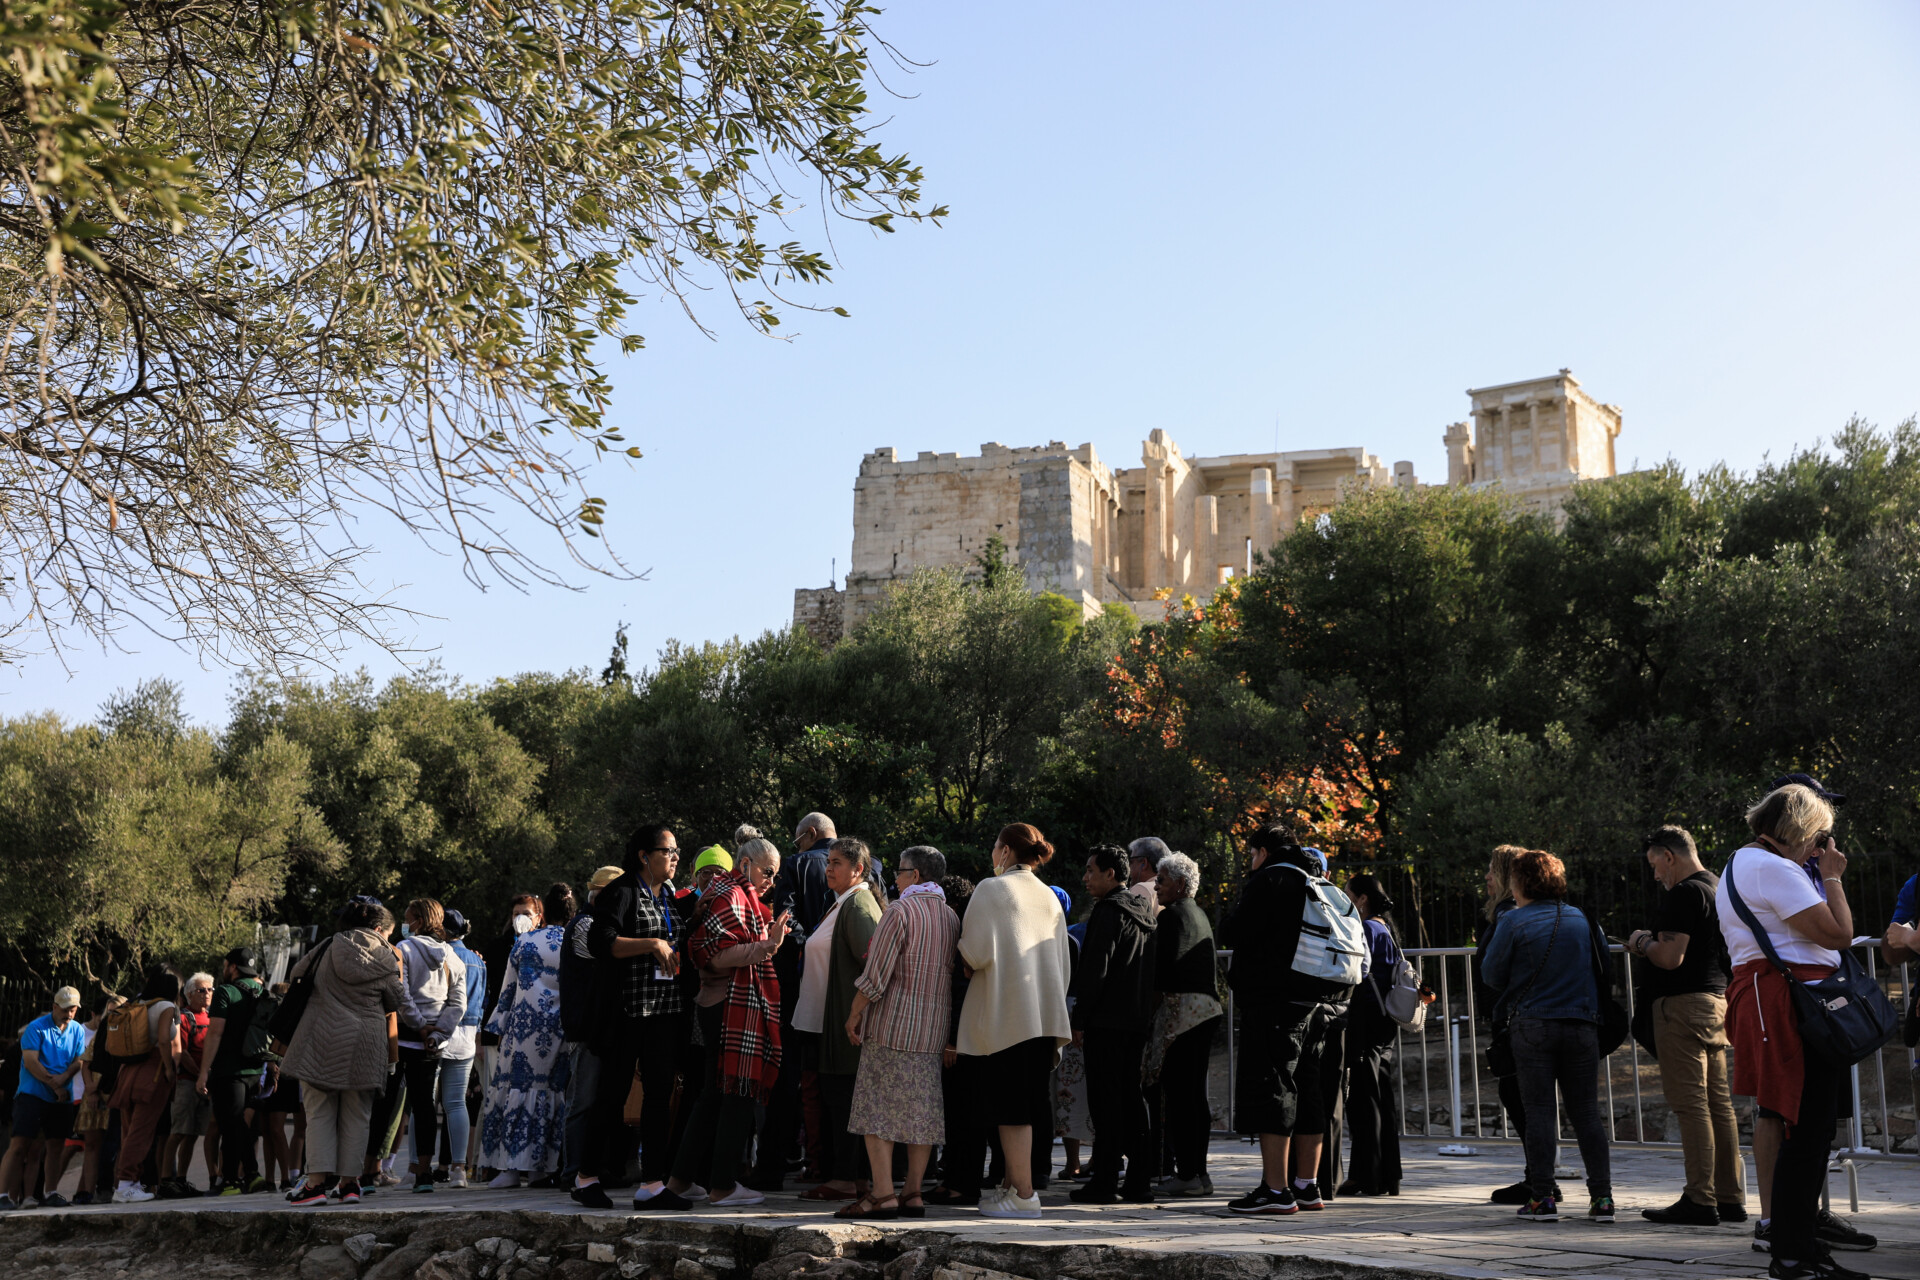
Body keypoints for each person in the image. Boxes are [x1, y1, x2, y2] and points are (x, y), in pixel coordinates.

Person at [1720, 784, 1874, 1279]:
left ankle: (1798, 1246)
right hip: (1793, 1006)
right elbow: (1838, 934)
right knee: (1808, 1133)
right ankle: (1793, 1253)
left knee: (1806, 1130)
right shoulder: (1773, 867)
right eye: (1818, 836)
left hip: (1777, 1001)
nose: (1820, 846)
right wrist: (1832, 879)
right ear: (1799, 829)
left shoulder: (1745, 863)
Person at [1220, 823, 1357, 1215]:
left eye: (1251, 853)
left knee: (1274, 1087)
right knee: (1309, 1088)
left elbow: (1235, 931)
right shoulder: (1317, 881)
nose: (1250, 861)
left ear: (1263, 851)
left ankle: (1275, 1190)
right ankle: (1307, 1185)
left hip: (1276, 1002)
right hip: (1324, 1003)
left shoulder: (1271, 880)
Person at [1482, 849, 1614, 1225]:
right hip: (1582, 1025)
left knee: (1540, 1112)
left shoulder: (1513, 920)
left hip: (1533, 1025)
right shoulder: (1582, 919)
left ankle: (1542, 1198)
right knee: (1587, 1112)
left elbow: (1491, 975)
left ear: (1520, 883)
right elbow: (1602, 965)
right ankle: (1602, 1198)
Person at [1627, 825, 1746, 1227]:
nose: (1655, 875)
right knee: (1719, 1105)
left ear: (1669, 856)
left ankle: (1699, 1198)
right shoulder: (1719, 886)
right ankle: (1729, 1197)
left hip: (1681, 1008)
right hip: (1716, 1004)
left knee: (1691, 1105)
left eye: (1654, 865)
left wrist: (1641, 941)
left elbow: (1670, 957)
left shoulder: (1684, 893)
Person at [663, 837, 792, 1207]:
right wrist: (769, 944)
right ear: (747, 863)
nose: (771, 880)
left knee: (713, 1095)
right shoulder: (733, 893)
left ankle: (680, 1180)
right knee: (736, 1093)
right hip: (728, 1005)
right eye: (768, 871)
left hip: (723, 1004)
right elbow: (715, 955)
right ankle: (722, 1185)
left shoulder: (733, 892)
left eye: (776, 875)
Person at [956, 823, 1071, 1220]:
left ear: (1005, 851)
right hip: (1043, 1013)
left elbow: (973, 952)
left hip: (1007, 1015)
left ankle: (1023, 1194)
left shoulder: (992, 887)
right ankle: (1010, 1186)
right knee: (1024, 1104)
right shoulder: (1048, 895)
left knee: (1010, 1110)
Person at [839, 844, 960, 1219]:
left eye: (900, 871)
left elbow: (876, 977)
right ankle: (912, 1194)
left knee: (876, 1111)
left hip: (892, 1026)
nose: (895, 877)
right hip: (932, 1030)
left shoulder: (899, 911)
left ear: (916, 876)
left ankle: (882, 1194)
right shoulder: (951, 916)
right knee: (921, 1113)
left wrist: (854, 1014)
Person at [583, 826, 690, 1209]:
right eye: (668, 850)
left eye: (678, 850)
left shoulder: (670, 896)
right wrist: (652, 943)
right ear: (645, 855)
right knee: (611, 1095)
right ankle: (585, 1177)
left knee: (659, 1096)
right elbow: (601, 941)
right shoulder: (623, 890)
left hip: (663, 1012)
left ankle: (653, 1185)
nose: (676, 857)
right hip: (626, 1011)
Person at [281, 898, 407, 1206]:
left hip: (320, 1041)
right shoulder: (387, 955)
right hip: (365, 1044)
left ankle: (315, 1185)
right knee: (358, 1116)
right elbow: (396, 999)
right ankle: (351, 1185)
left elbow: (297, 973)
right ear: (378, 928)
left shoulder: (326, 946)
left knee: (319, 1113)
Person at [749, 810, 837, 1192]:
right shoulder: (871, 867)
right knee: (834, 1078)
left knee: (788, 1077)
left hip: (798, 986)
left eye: (796, 840)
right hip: (845, 989)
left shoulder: (798, 865)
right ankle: (834, 1166)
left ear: (810, 835)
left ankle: (773, 1166)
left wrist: (806, 953)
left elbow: (785, 920)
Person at [792, 837, 882, 1205]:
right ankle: (849, 1177)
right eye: (828, 862)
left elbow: (874, 963)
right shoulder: (841, 902)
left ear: (858, 870)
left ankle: (846, 1178)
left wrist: (856, 1010)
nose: (828, 868)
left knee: (842, 1102)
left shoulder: (858, 904)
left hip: (844, 1025)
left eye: (837, 863)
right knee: (835, 1100)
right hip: (823, 1022)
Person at [1067, 845, 1158, 1204]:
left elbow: (1095, 972)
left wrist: (1079, 1019)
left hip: (1106, 1022)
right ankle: (1139, 1180)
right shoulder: (1143, 913)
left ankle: (1104, 1179)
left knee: (1105, 1102)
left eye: (1091, 871)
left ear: (1111, 874)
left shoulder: (1107, 912)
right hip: (1134, 1021)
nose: (1086, 878)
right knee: (1131, 1100)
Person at [1143, 852, 1221, 1198]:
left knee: (1179, 1095)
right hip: (1206, 1010)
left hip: (1184, 1012)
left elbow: (1162, 972)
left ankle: (1188, 1172)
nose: (1156, 886)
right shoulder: (1199, 914)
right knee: (1193, 1096)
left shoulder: (1172, 916)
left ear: (1179, 884)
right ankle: (1198, 1172)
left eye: (1161, 880)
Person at [1473, 843, 1548, 1205]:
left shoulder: (1508, 915)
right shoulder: (1506, 913)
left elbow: (1497, 970)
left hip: (1514, 1017)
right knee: (1520, 1096)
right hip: (1514, 1015)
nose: (1486, 877)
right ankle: (1538, 1176)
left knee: (1519, 1096)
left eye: (1491, 870)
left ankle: (1539, 1179)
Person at [482, 892, 570, 1189]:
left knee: (518, 1092)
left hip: (523, 1031)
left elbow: (507, 991)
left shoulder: (525, 942)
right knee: (550, 1095)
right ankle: (540, 1170)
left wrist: (496, 1027)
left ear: (543, 913)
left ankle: (510, 1168)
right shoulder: (575, 942)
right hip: (560, 1031)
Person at [392, 897, 469, 1194]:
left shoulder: (404, 949)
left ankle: (369, 1173)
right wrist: (436, 1033)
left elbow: (402, 993)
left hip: (403, 1037)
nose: (404, 923)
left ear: (419, 921)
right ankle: (425, 1173)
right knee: (427, 1105)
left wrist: (418, 1024)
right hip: (431, 1043)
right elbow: (457, 1004)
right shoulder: (454, 956)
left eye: (407, 917)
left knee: (390, 1103)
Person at [1338, 872, 1403, 1198]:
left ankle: (1366, 1175)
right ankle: (1388, 1174)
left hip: (1365, 1021)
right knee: (1381, 1097)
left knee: (1364, 1099)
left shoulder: (1365, 928)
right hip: (1385, 1021)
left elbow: (1357, 974)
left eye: (1347, 893)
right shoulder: (1386, 928)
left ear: (1361, 899)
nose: (1344, 898)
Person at [559, 865, 623, 1188]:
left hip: (599, 1028)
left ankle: (595, 1168)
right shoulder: (585, 926)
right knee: (581, 1102)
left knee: (599, 1101)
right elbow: (611, 955)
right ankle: (573, 1171)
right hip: (585, 1029)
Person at [0, 988, 85, 1211]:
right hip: (33, 1094)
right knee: (19, 1145)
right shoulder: (35, 1028)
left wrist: (65, 1078)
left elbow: (79, 1060)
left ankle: (51, 1192)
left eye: (73, 1009)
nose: (69, 1013)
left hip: (61, 1098)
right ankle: (3, 1195)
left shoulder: (76, 1030)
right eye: (65, 1008)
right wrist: (55, 1084)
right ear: (55, 1006)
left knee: (55, 1146)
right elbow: (30, 1062)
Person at [196, 947, 270, 1194]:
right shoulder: (263, 990)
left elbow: (215, 1032)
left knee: (231, 1124)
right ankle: (250, 1176)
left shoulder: (225, 992)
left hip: (229, 1070)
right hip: (255, 1069)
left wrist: (204, 1071)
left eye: (226, 964)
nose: (224, 968)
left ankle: (233, 1180)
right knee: (238, 1123)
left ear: (233, 967)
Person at [105, 971, 182, 1203]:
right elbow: (163, 1039)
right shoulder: (166, 1006)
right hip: (153, 1070)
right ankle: (127, 1184)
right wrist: (169, 1069)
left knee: (128, 1131)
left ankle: (126, 1183)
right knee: (142, 1131)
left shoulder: (137, 1003)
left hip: (128, 1070)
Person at [158, 973, 214, 1197]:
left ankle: (181, 1178)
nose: (207, 994)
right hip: (187, 1083)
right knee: (179, 1131)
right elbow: (181, 1051)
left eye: (210, 990)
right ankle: (166, 1180)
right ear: (189, 994)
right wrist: (201, 1074)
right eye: (201, 990)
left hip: (204, 1084)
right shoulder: (184, 1017)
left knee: (192, 1134)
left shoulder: (211, 1018)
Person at [442, 910, 487, 1184]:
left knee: (425, 1101)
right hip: (469, 1032)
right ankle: (459, 1168)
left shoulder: (441, 954)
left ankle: (415, 1168)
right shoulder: (477, 961)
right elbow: (484, 997)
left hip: (440, 1027)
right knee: (457, 1102)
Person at [68, 994, 122, 1204]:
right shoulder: (100, 1035)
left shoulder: (128, 1037)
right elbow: (86, 1064)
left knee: (118, 1145)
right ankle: (88, 1192)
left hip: (114, 1095)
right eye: (110, 1011)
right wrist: (91, 1091)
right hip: (94, 1096)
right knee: (91, 1146)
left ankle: (116, 1189)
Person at [1126, 837, 1169, 918]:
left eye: (1131, 861)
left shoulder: (1141, 889)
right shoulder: (1169, 889)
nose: (1129, 866)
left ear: (1144, 863)